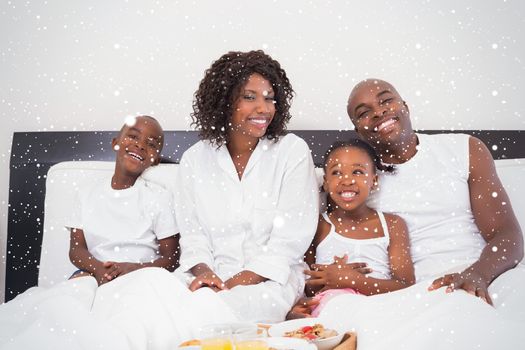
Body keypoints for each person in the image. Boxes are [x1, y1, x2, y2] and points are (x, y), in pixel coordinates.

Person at [345, 78, 523, 304]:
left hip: (489, 275)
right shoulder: (357, 181)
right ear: (358, 131)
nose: (379, 112)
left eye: (386, 101)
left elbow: (507, 235)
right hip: (421, 293)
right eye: (364, 113)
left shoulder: (464, 149)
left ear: (405, 107)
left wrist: (477, 274)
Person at [175, 49, 319, 322]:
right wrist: (206, 274)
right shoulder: (194, 159)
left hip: (270, 281)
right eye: (249, 97)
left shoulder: (292, 152)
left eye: (269, 98)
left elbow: (289, 241)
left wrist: (233, 283)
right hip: (206, 278)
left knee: (215, 312)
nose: (263, 109)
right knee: (152, 292)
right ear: (224, 101)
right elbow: (192, 234)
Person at [289, 139, 415, 318]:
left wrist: (352, 280)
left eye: (357, 171)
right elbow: (306, 286)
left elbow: (405, 286)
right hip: (333, 306)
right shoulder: (317, 225)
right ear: (325, 182)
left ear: (374, 180)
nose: (346, 180)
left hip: (383, 305)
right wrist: (327, 278)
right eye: (337, 172)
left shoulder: (393, 224)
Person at [67, 115, 180, 285]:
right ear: (115, 143)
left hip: (142, 273)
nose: (140, 145)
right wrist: (99, 269)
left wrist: (133, 269)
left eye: (151, 144)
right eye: (133, 136)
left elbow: (171, 258)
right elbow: (76, 250)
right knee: (74, 294)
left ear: (155, 160)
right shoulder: (86, 193)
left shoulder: (158, 197)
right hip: (92, 272)